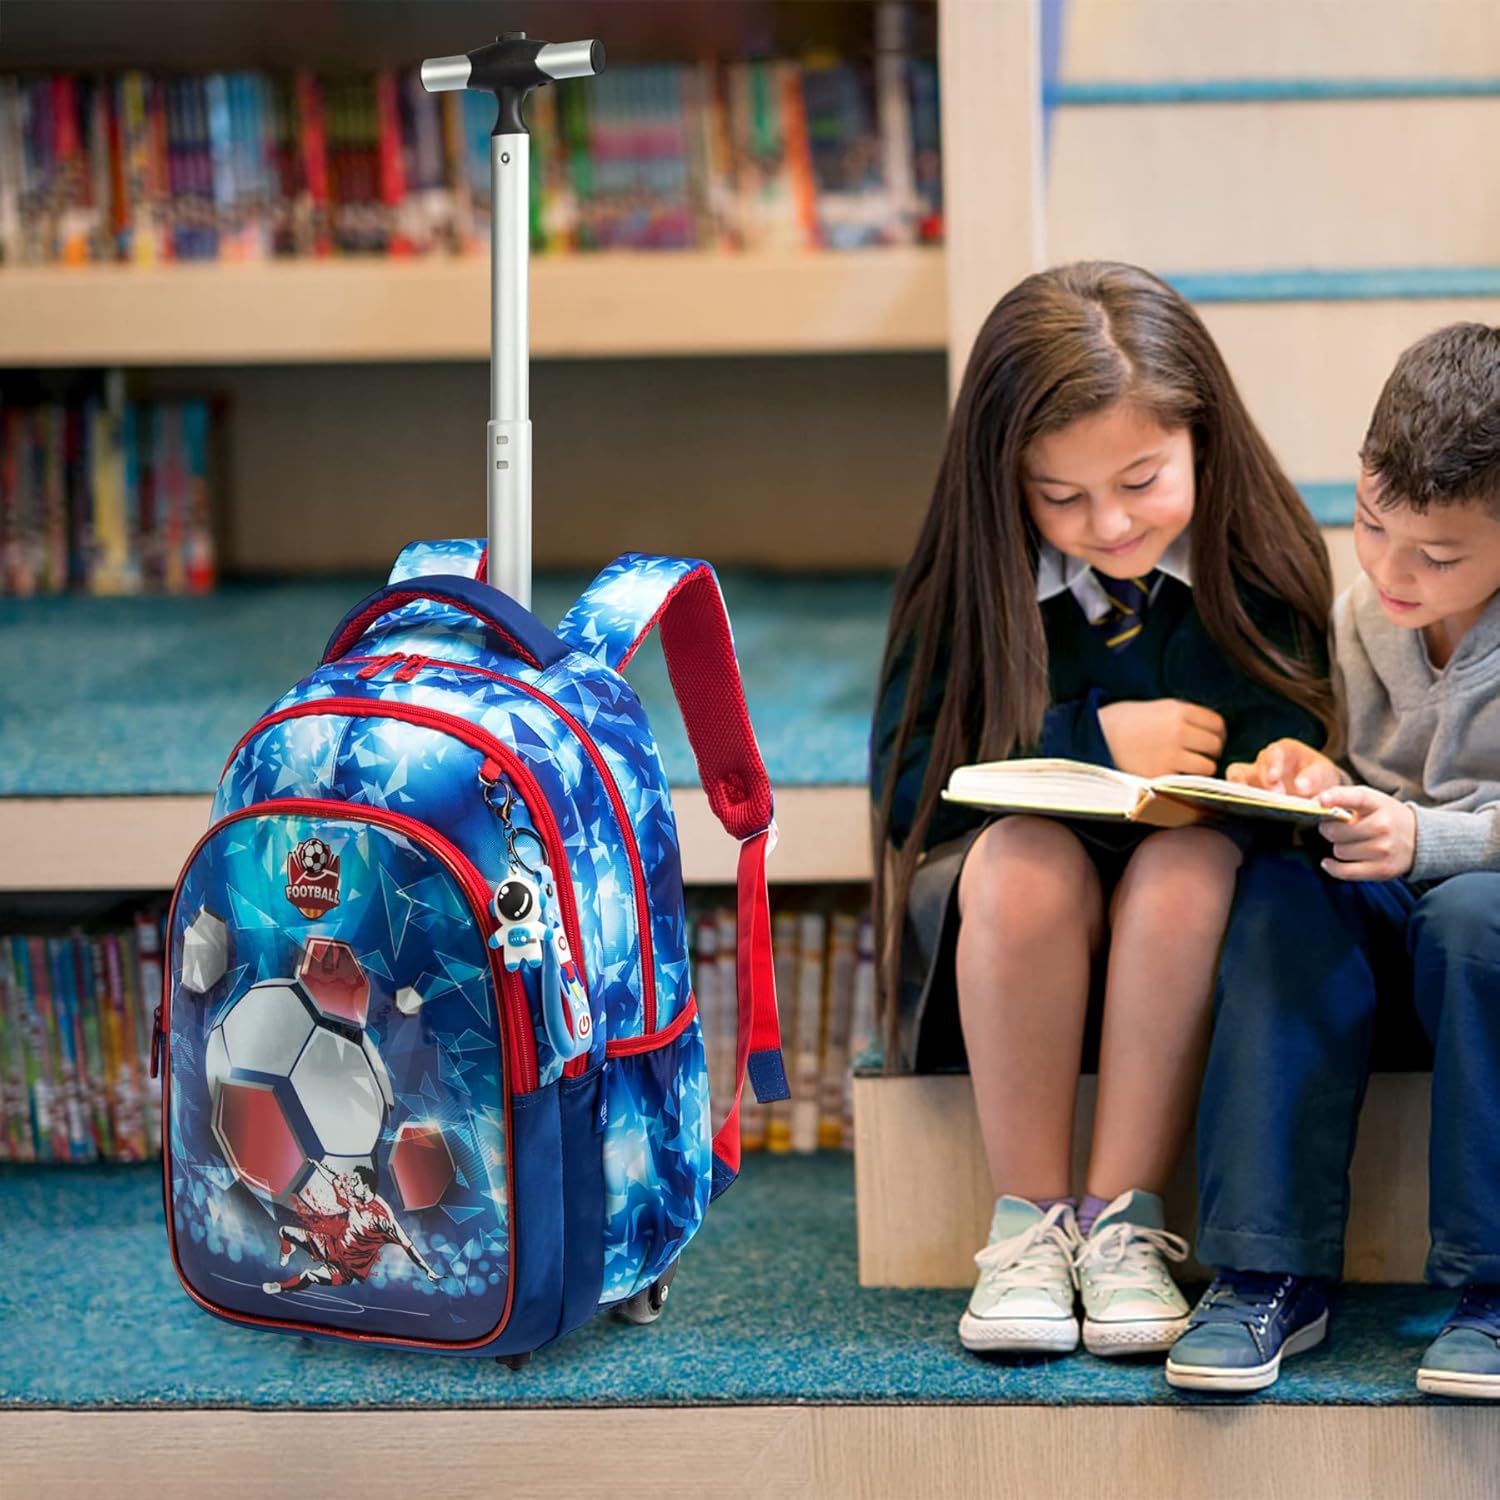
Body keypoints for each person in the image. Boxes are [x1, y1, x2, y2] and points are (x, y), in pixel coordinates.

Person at [869, 261, 1337, 1357]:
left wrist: (1288, 771)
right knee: (1030, 859)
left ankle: (1124, 1222)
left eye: (1142, 480)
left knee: (1191, 869)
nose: (1112, 524)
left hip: (1193, 893)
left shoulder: (1259, 561)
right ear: (1006, 482)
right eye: (1062, 497)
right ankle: (1030, 1225)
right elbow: (908, 787)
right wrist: (1090, 745)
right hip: (1012, 908)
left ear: (1202, 441)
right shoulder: (966, 578)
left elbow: (1297, 733)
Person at [1167, 322, 1500, 1397]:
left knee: (1475, 918)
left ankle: (1491, 1290)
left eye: (1436, 557)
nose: (1391, 571)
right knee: (1278, 894)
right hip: (1394, 918)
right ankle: (1268, 1269)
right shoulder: (1368, 616)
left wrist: (1431, 839)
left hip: (1480, 935)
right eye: (1368, 525)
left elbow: (1439, 843)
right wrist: (1312, 772)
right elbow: (1361, 768)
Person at [262, 1161, 441, 1294]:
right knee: (284, 1232)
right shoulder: (354, 1199)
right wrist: (318, 1166)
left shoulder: (383, 1218)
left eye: (355, 1181)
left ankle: (280, 1287)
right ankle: (288, 1250)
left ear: (365, 1187)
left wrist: (428, 1270)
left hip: (345, 1268)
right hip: (329, 1245)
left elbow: (408, 1246)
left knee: (310, 1275)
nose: (351, 1184)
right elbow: (335, 1180)